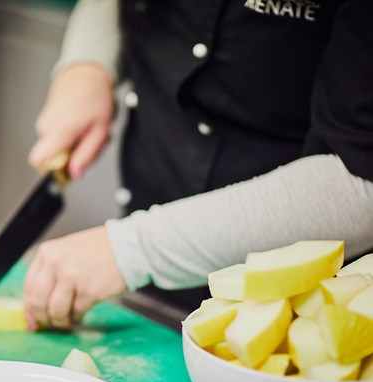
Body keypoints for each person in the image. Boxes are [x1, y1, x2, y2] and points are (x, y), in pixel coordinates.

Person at [22, 0, 373, 331]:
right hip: (148, 292)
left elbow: (364, 184)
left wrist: (132, 249)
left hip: (301, 319)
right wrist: (88, 62)